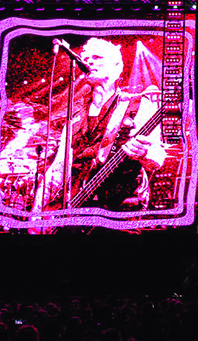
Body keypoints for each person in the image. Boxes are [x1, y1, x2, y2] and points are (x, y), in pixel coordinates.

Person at [32, 38, 166, 213]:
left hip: (122, 210)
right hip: (78, 208)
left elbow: (158, 158)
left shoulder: (139, 104)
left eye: (97, 57)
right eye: (86, 58)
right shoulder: (74, 117)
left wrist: (145, 153)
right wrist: (37, 211)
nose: (88, 61)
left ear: (118, 67)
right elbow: (58, 170)